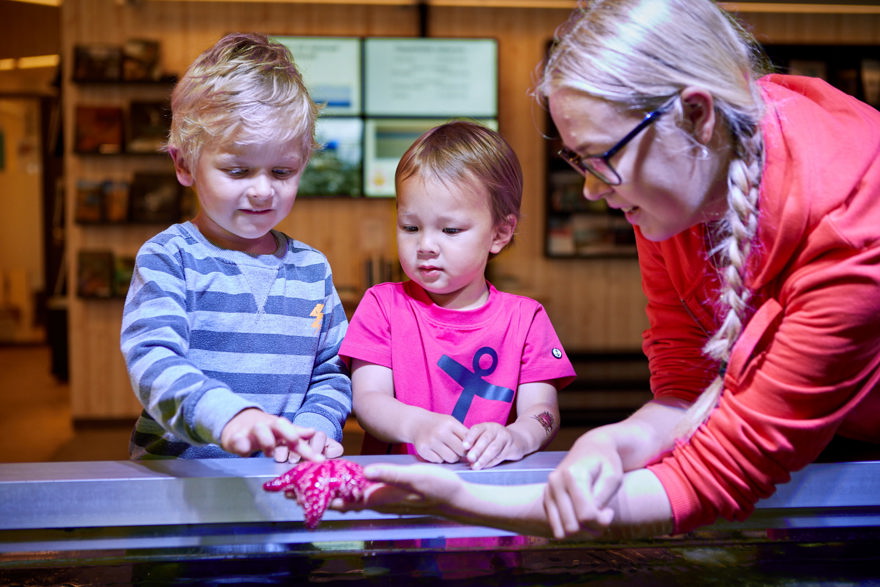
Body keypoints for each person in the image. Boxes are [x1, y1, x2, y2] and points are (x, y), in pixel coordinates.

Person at [335, 0, 880, 538]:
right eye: (578, 160)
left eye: (604, 158)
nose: (593, 190)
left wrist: (463, 501)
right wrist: (611, 441)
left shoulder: (853, 222)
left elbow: (719, 474)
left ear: (697, 117)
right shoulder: (670, 197)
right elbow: (686, 385)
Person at [120, 33, 351, 461]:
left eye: (281, 172)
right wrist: (230, 418)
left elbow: (331, 372)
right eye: (238, 170)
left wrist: (315, 427)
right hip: (180, 479)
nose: (262, 190)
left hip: (279, 478)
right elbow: (154, 362)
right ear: (184, 164)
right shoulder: (170, 257)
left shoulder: (313, 268)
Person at [339, 121, 576, 470]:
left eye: (450, 230)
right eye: (410, 227)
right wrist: (416, 426)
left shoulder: (526, 319)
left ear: (500, 233)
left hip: (490, 494)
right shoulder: (382, 306)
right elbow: (368, 400)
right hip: (399, 494)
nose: (425, 245)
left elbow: (543, 412)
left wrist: (517, 437)